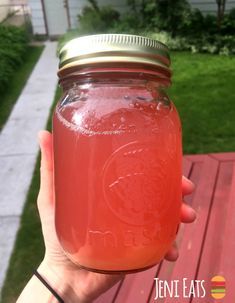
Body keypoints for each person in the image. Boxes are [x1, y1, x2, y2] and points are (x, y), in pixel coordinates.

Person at [17, 130, 196, 303]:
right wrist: (61, 277)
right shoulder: (75, 114)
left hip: (141, 240)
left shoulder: (159, 109)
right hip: (80, 253)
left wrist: (61, 281)